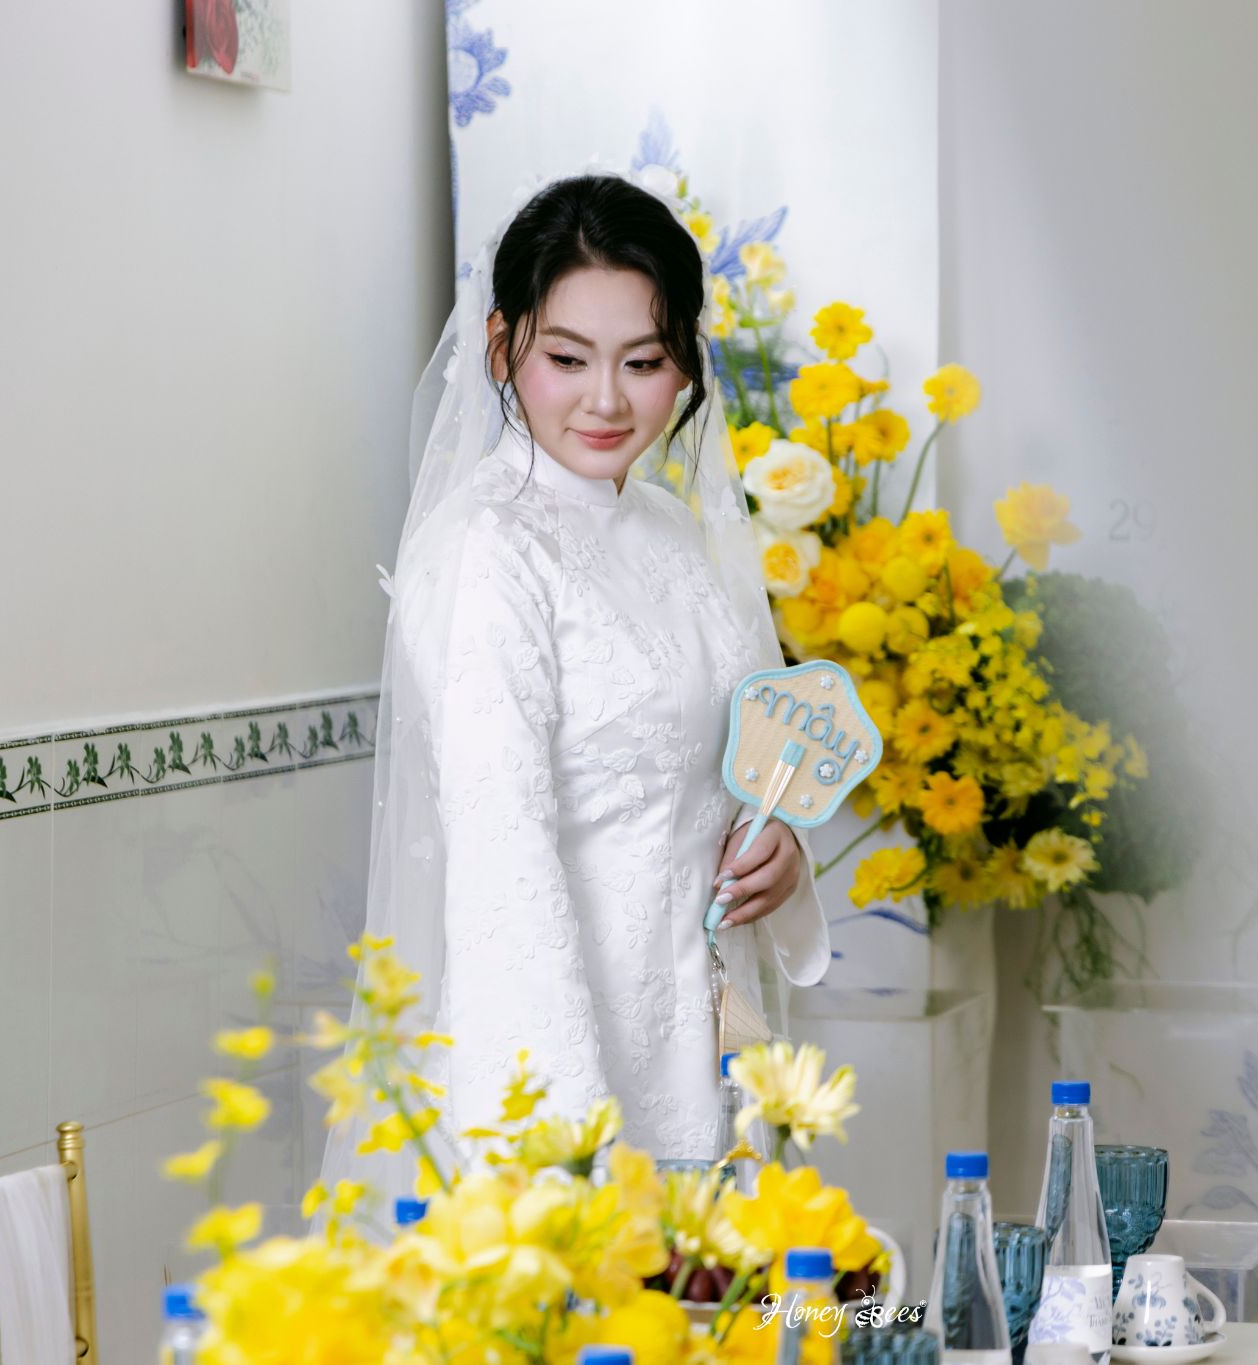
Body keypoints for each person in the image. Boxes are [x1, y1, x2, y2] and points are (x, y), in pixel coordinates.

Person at [320, 173, 830, 1195]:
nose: (606, 399)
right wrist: (568, 1162)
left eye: (642, 361)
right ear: (502, 347)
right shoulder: (485, 551)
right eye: (566, 359)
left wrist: (777, 852)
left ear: (684, 361)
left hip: (700, 1041)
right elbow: (501, 868)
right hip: (556, 1066)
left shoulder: (673, 534)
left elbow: (720, 771)